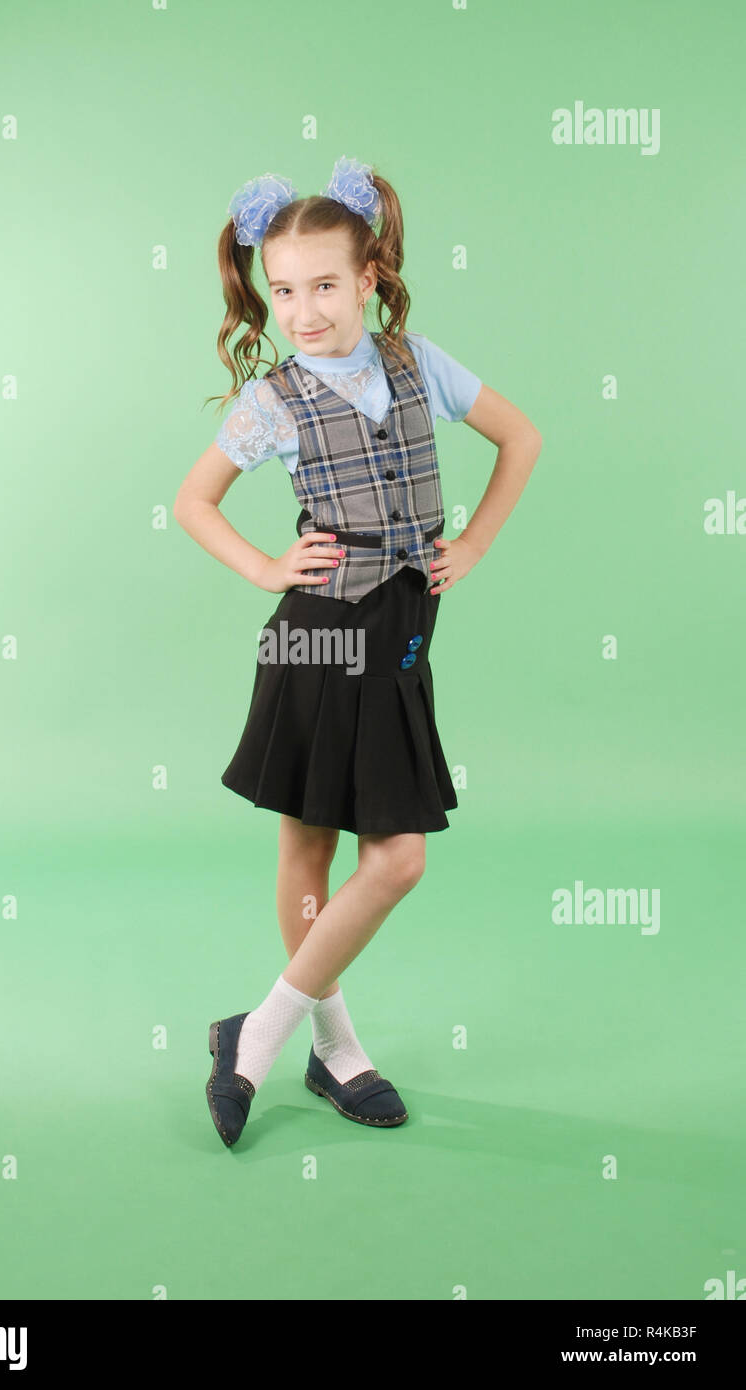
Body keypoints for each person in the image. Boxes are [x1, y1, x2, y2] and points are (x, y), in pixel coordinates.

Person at [173, 155, 542, 1147]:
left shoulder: (421, 363)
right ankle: (320, 1044)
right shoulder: (273, 399)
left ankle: (260, 1027)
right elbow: (192, 502)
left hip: (403, 634)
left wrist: (472, 542)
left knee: (389, 857)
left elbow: (524, 437)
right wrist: (264, 569)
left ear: (370, 277)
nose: (303, 310)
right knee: (320, 845)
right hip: (318, 637)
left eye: (325, 285)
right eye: (283, 290)